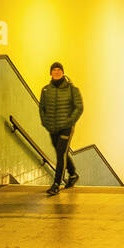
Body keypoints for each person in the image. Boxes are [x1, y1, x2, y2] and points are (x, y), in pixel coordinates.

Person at [38, 61, 83, 195]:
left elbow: (79, 107)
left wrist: (69, 121)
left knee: (60, 153)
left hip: (66, 128)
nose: (56, 72)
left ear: (63, 72)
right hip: (52, 127)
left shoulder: (72, 89)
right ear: (50, 73)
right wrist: (45, 122)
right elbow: (42, 108)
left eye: (59, 70)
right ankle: (73, 174)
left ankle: (56, 184)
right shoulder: (45, 89)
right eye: (54, 70)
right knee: (61, 152)